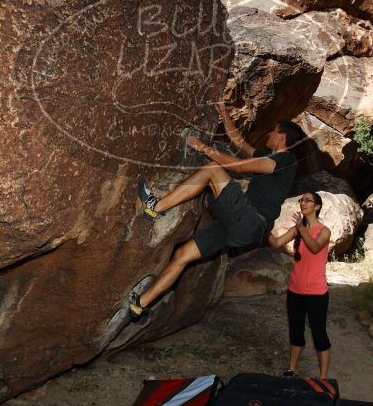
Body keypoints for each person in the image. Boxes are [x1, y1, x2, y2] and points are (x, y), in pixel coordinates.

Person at [129, 102, 302, 321]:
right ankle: (139, 304)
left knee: (212, 169)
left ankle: (155, 207)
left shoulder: (286, 160)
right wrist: (223, 112)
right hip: (237, 228)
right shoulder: (268, 158)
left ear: (282, 136)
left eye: (274, 130)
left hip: (249, 219)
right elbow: (239, 142)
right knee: (183, 255)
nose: (269, 133)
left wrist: (203, 148)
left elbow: (238, 166)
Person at [268, 191, 332, 379]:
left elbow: (314, 247)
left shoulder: (323, 230)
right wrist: (264, 228)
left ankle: (322, 378)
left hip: (317, 293)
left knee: (319, 333)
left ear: (317, 206)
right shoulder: (297, 230)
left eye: (307, 200)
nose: (303, 203)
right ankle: (292, 368)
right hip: (295, 290)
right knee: (295, 330)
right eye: (301, 200)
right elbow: (277, 242)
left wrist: (300, 228)